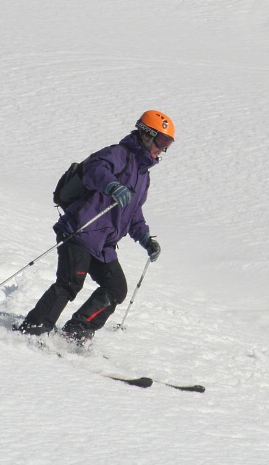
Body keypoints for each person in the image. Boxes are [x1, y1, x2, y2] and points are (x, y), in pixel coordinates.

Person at [17, 110, 175, 342]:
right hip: (80, 231)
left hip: (103, 244)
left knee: (116, 289)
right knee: (70, 283)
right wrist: (111, 186)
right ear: (146, 134)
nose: (163, 148)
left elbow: (133, 213)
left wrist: (146, 239)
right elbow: (93, 170)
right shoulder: (119, 154)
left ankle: (76, 331)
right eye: (161, 141)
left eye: (168, 143)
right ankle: (33, 328)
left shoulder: (143, 175)